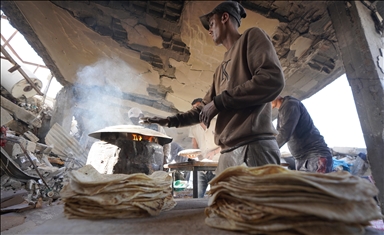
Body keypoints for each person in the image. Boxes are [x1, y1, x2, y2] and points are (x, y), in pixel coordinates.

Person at [141, 1, 285, 175]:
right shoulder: (220, 70)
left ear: (225, 17)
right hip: (227, 152)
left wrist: (220, 102)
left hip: (253, 147)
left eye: (211, 24)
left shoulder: (251, 37)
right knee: (221, 202)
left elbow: (271, 80)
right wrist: (170, 121)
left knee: (256, 203)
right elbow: (203, 109)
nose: (209, 30)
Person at [271, 96, 333, 173]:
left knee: (314, 185)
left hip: (314, 157)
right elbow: (277, 134)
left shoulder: (291, 104)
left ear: (275, 95)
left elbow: (284, 134)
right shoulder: (281, 111)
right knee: (302, 185)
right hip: (300, 159)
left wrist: (268, 151)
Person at [189, 98, 221, 198]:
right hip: (201, 167)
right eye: (194, 109)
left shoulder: (217, 123)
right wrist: (193, 155)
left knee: (216, 198)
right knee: (197, 197)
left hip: (217, 166)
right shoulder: (193, 127)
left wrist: (214, 152)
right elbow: (194, 145)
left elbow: (226, 144)